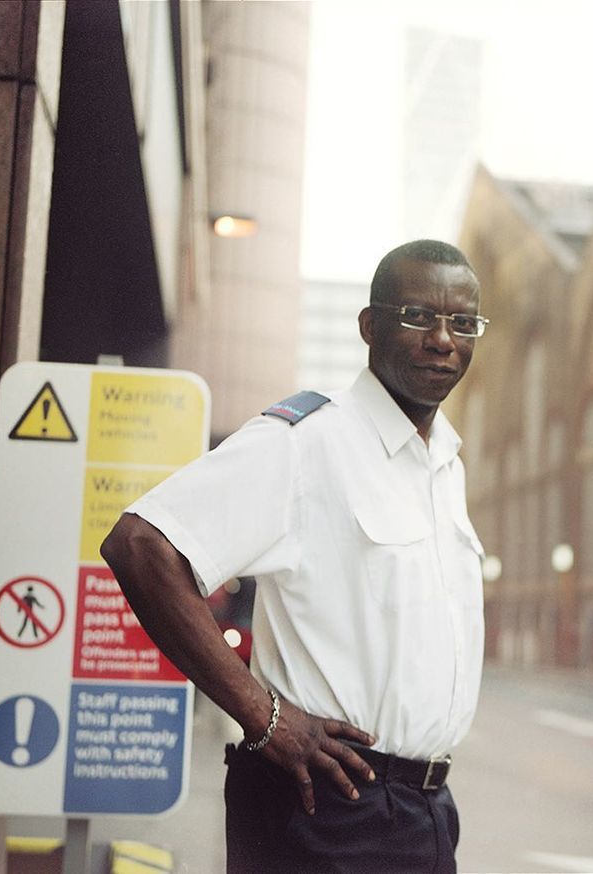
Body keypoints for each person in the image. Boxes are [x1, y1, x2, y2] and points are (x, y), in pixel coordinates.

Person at [101, 239, 489, 873]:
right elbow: (142, 545)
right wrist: (265, 717)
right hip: (327, 809)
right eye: (418, 316)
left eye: (462, 322)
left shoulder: (443, 463)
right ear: (369, 326)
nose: (442, 339)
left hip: (426, 815)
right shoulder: (311, 442)